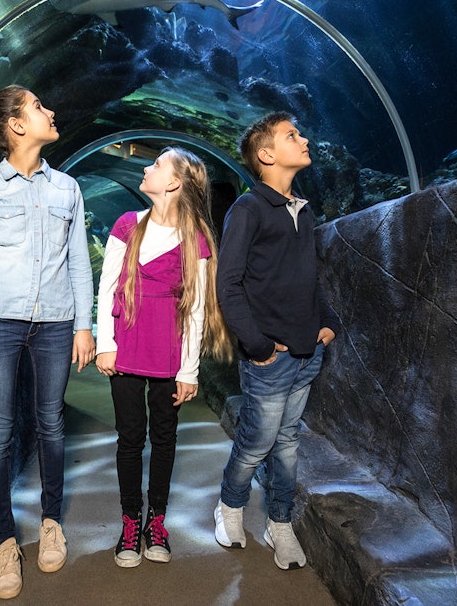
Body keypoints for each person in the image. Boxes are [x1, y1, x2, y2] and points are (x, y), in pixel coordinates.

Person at [0, 85, 96, 600]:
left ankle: (51, 522)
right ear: (15, 125)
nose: (50, 111)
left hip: (56, 322)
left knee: (52, 422)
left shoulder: (68, 189)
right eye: (37, 106)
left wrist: (85, 325)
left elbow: (79, 261)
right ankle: (4, 541)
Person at [96, 147, 233, 568]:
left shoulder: (198, 240)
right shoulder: (126, 225)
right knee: (129, 438)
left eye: (155, 164)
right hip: (127, 349)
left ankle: (157, 519)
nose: (145, 167)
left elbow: (194, 309)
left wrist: (188, 370)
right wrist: (106, 343)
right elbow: (107, 289)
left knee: (165, 438)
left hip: (169, 357)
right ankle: (129, 521)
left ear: (174, 182)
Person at [213, 112, 335, 570]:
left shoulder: (301, 209)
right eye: (292, 135)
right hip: (270, 357)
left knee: (287, 442)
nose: (303, 139)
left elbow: (307, 278)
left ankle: (278, 522)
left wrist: (325, 320)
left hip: (307, 353)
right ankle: (229, 505)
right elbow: (229, 285)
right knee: (256, 441)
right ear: (267, 156)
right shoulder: (247, 210)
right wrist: (258, 345)